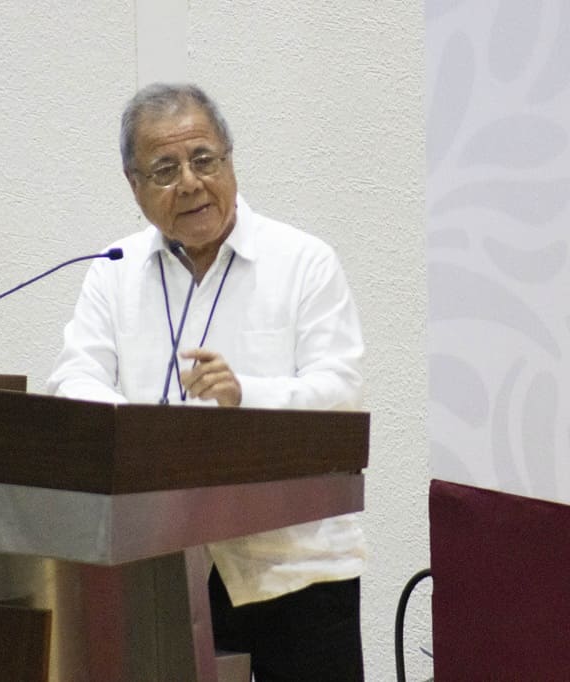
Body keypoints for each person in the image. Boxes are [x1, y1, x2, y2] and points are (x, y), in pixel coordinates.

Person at [47, 83, 366, 681]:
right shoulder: (114, 272)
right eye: (165, 169)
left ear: (229, 160)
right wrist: (135, 432)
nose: (190, 183)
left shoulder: (303, 262)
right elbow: (74, 377)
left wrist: (247, 394)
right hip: (161, 564)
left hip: (292, 565)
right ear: (134, 185)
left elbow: (340, 394)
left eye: (204, 160)